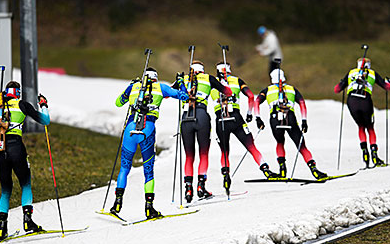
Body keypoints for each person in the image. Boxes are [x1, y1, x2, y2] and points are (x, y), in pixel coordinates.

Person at [0, 81, 50, 240]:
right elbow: (45, 120)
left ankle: (2, 228)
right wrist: (43, 104)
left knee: (6, 189)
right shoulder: (22, 104)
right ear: (18, 92)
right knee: (25, 183)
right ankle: (28, 222)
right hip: (16, 148)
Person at [110, 67, 188, 219]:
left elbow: (118, 103)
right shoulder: (161, 88)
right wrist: (181, 83)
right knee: (148, 171)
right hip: (148, 129)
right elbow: (184, 96)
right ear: (156, 78)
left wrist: (130, 88)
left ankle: (117, 204)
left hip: (130, 129)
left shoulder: (134, 87)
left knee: (124, 168)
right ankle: (149, 208)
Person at [210, 61, 278, 191]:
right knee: (251, 146)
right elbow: (251, 96)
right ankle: (265, 169)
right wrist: (249, 114)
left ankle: (226, 177)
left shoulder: (211, 82)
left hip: (221, 120)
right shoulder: (236, 80)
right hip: (237, 118)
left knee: (224, 152)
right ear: (229, 70)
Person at [172, 60, 232, 203]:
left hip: (186, 118)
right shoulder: (208, 78)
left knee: (189, 156)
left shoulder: (184, 79)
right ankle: (201, 187)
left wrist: (179, 83)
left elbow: (168, 94)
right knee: (203, 153)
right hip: (201, 116)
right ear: (202, 70)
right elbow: (228, 92)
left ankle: (188, 188)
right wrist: (223, 81)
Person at [254, 68, 327, 179]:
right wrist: (304, 121)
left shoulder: (267, 90)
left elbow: (256, 102)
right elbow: (302, 104)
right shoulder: (292, 89)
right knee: (301, 146)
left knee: (280, 142)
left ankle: (282, 170)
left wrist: (258, 118)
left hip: (275, 119)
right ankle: (314, 170)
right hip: (290, 118)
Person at [334, 57, 390, 168]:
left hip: (352, 101)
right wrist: (387, 82)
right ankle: (374, 154)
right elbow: (387, 88)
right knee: (370, 127)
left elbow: (337, 89)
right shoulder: (372, 73)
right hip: (365, 100)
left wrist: (342, 82)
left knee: (360, 126)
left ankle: (365, 153)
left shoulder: (351, 72)